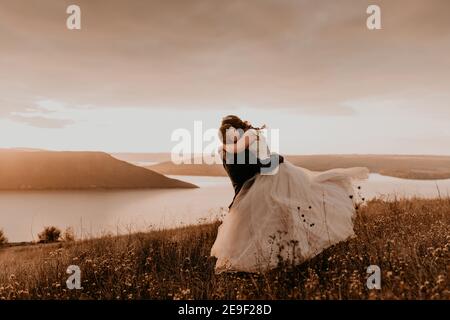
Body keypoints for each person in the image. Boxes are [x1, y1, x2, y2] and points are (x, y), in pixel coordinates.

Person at [211, 115, 369, 273]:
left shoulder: (240, 141)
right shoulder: (238, 145)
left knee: (286, 210)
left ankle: (285, 256)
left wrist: (226, 147)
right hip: (262, 179)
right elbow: (255, 162)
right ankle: (274, 257)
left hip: (270, 179)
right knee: (274, 215)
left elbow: (245, 155)